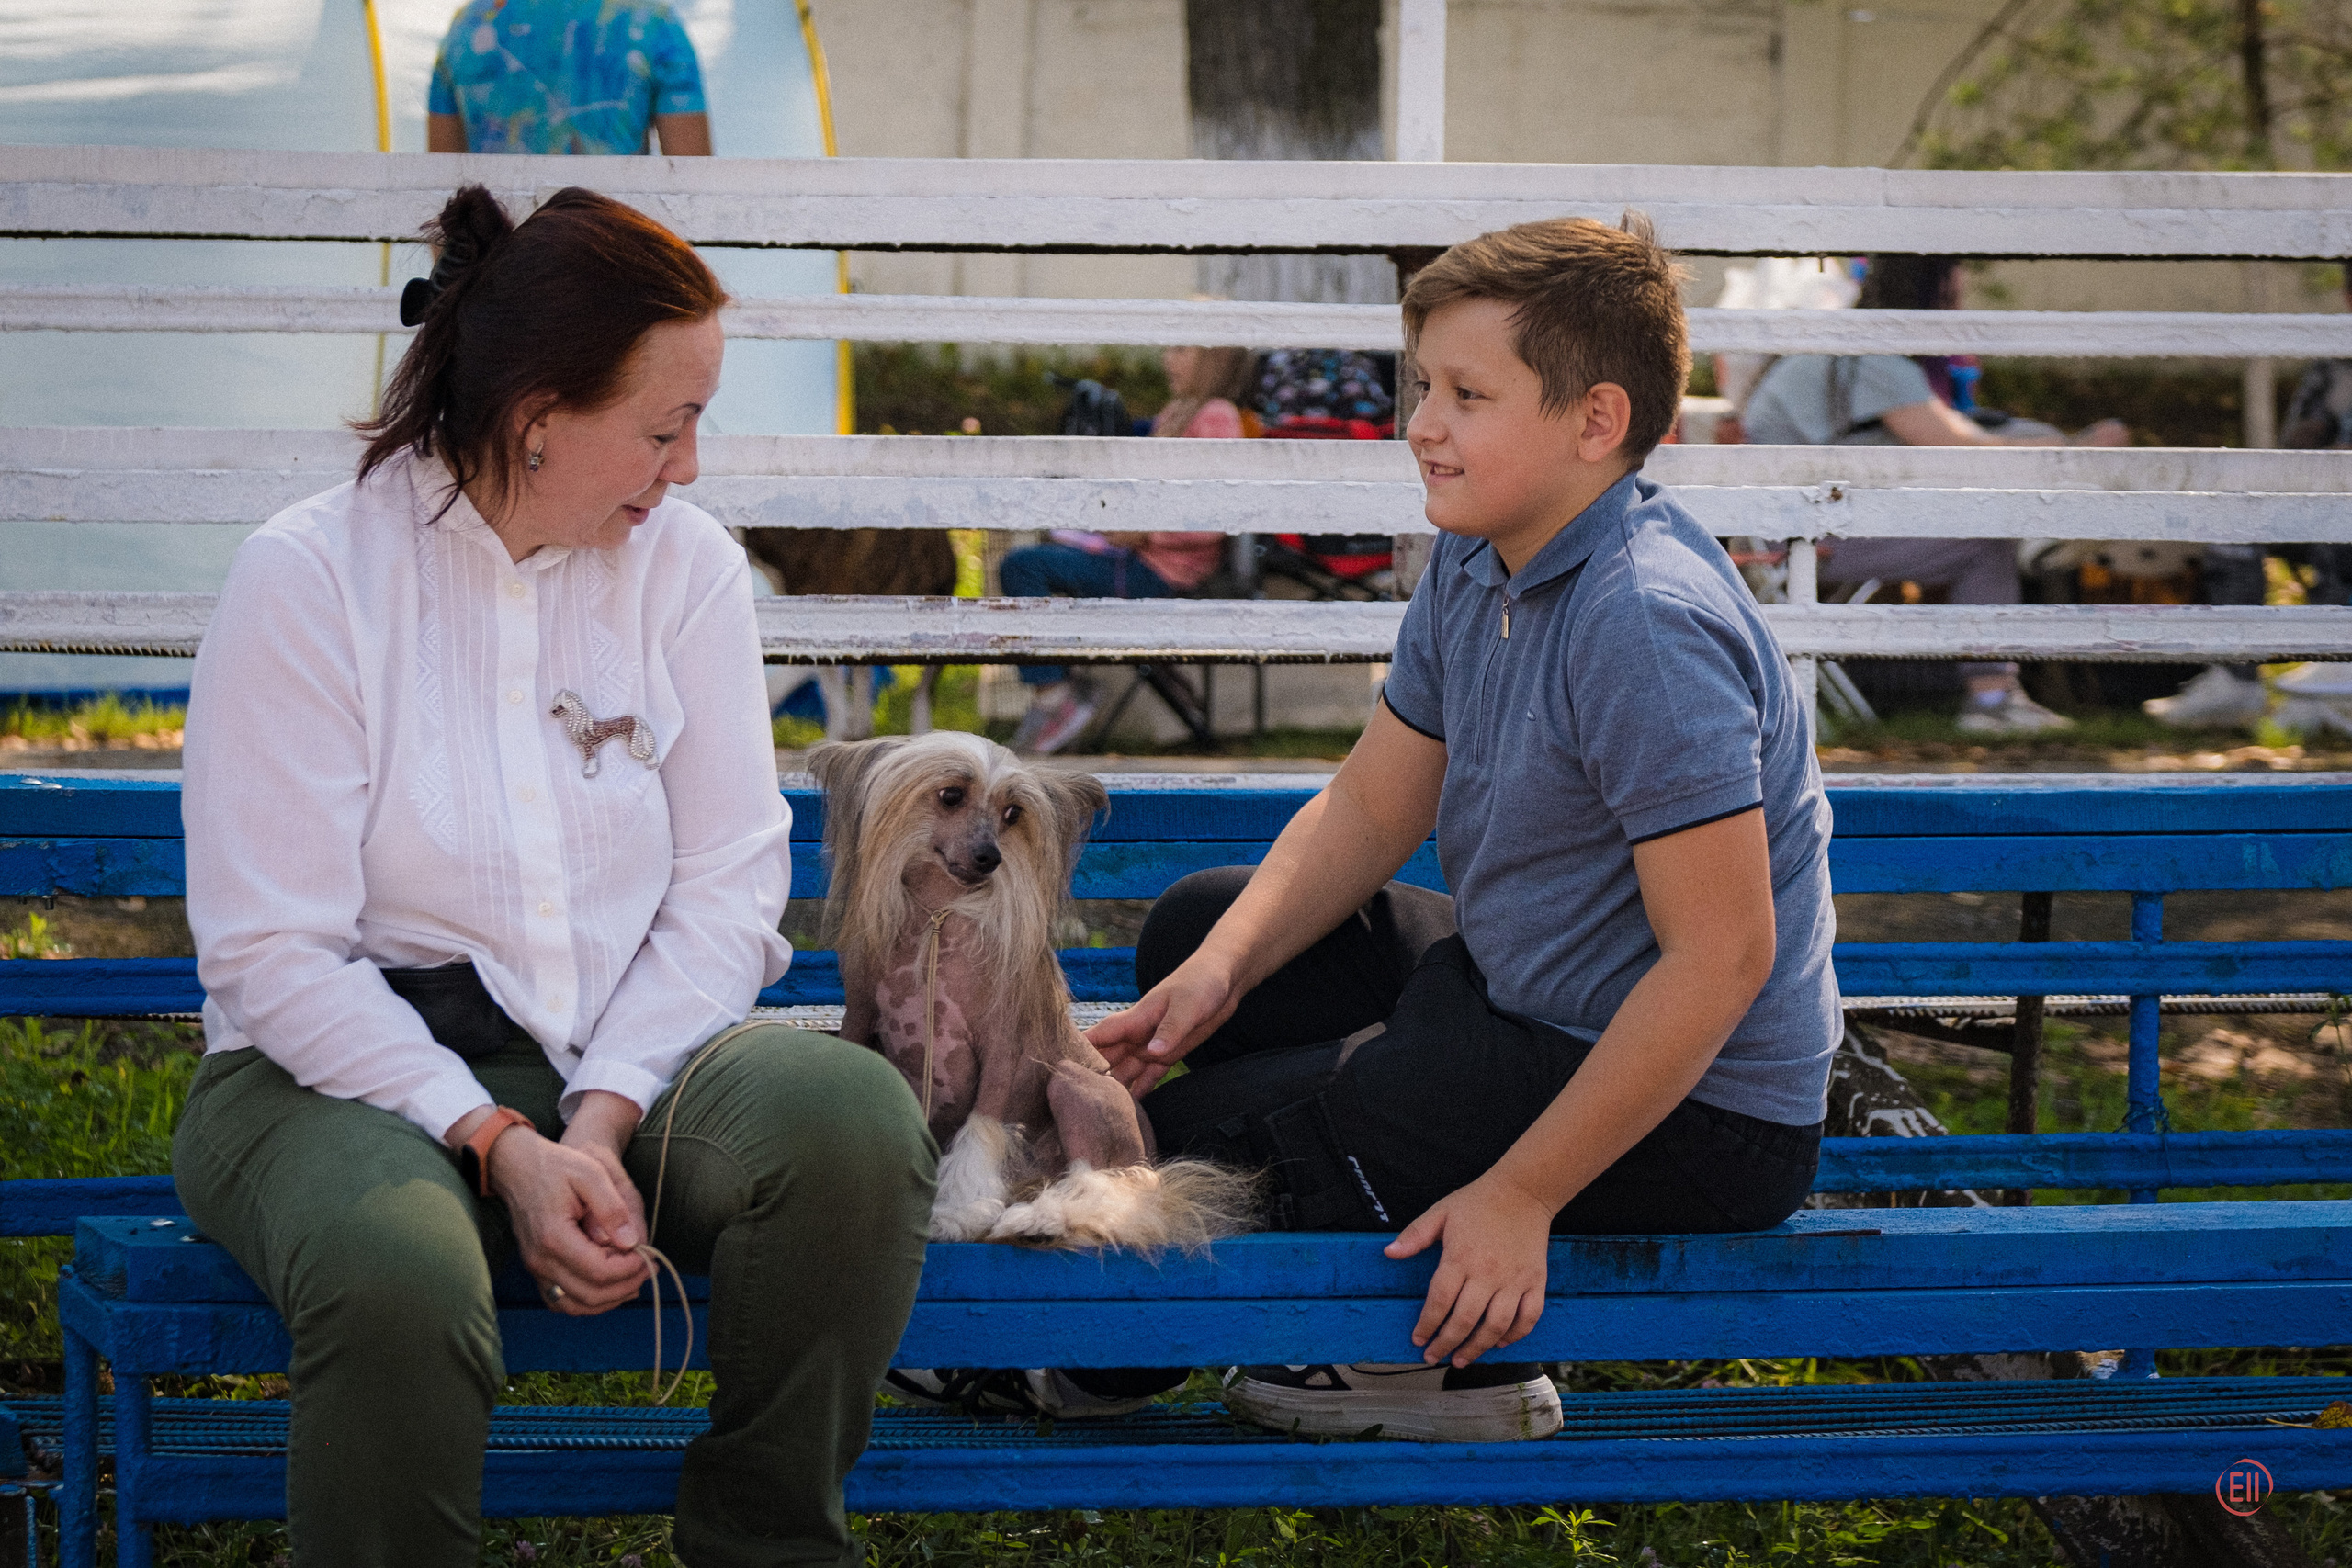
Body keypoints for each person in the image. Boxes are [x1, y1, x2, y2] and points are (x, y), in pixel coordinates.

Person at [173, 186, 933, 1568]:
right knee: (399, 1272)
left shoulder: (686, 571)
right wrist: (491, 1138)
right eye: (664, 426)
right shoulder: (310, 577)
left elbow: (727, 887)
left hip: (615, 1055)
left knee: (851, 1123)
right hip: (334, 1070)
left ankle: (768, 1541)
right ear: (536, 413)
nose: (690, 468)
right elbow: (273, 953)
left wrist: (595, 1117)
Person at [1081, 216, 1837, 1443]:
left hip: (1706, 1110)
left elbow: (1723, 957)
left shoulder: (1642, 618)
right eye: (1422, 385)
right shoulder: (1477, 553)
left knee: (1184, 1148)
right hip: (1528, 993)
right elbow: (1378, 798)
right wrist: (1221, 973)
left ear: (1594, 422)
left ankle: (1413, 1366)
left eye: (1466, 393)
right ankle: (1372, 1107)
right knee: (1200, 926)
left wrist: (1524, 1190)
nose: (1422, 422)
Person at [1741, 254, 2131, 736]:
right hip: (1800, 543)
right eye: (1952, 293)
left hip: (1782, 531)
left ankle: (2041, 540)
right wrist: (2072, 447)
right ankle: (1991, 699)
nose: (1959, 306)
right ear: (1929, 298)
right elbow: (1960, 445)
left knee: (1986, 518)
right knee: (1983, 546)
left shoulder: (1841, 350)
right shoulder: (1873, 360)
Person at [1001, 344, 1251, 754]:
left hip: (1161, 570)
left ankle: (1054, 693)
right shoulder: (1178, 411)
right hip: (1136, 557)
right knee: (1044, 551)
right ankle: (1060, 684)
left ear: (1213, 358)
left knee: (1022, 567)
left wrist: (1145, 535)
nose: (1169, 359)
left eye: (1182, 349)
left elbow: (1219, 516)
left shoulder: (1216, 415)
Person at [2145, 262, 2352, 730]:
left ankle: (2332, 671)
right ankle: (2237, 679)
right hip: (2325, 500)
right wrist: (2315, 436)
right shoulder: (2333, 366)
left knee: (2335, 535)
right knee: (2235, 519)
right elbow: (2289, 452)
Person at [427, 0, 713, 156]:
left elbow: (439, 193)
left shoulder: (466, 28)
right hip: (612, 255)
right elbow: (693, 190)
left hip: (499, 259)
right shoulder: (653, 23)